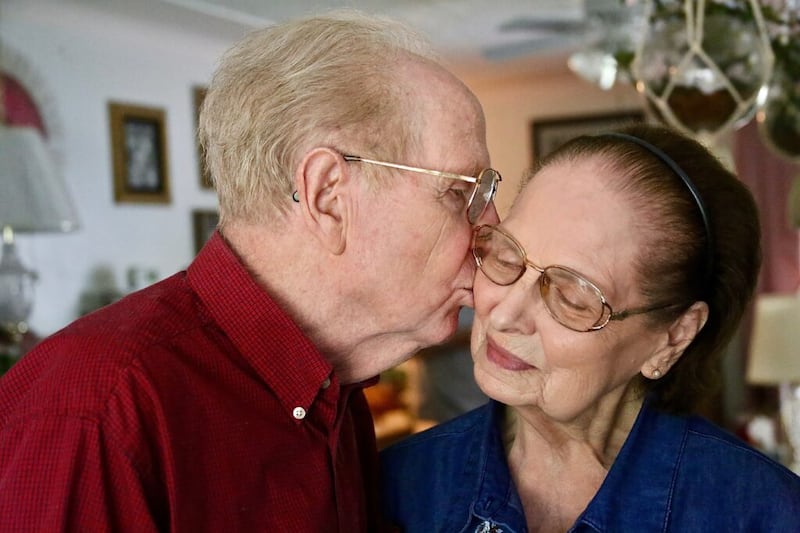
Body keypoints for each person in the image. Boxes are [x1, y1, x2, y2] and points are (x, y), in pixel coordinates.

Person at [0, 11, 501, 532]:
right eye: (461, 193)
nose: (492, 227)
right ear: (329, 195)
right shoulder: (100, 413)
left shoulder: (333, 394)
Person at [380, 124, 800, 532]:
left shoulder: (763, 514)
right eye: (507, 256)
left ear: (673, 337)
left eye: (571, 295)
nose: (503, 315)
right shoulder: (400, 489)